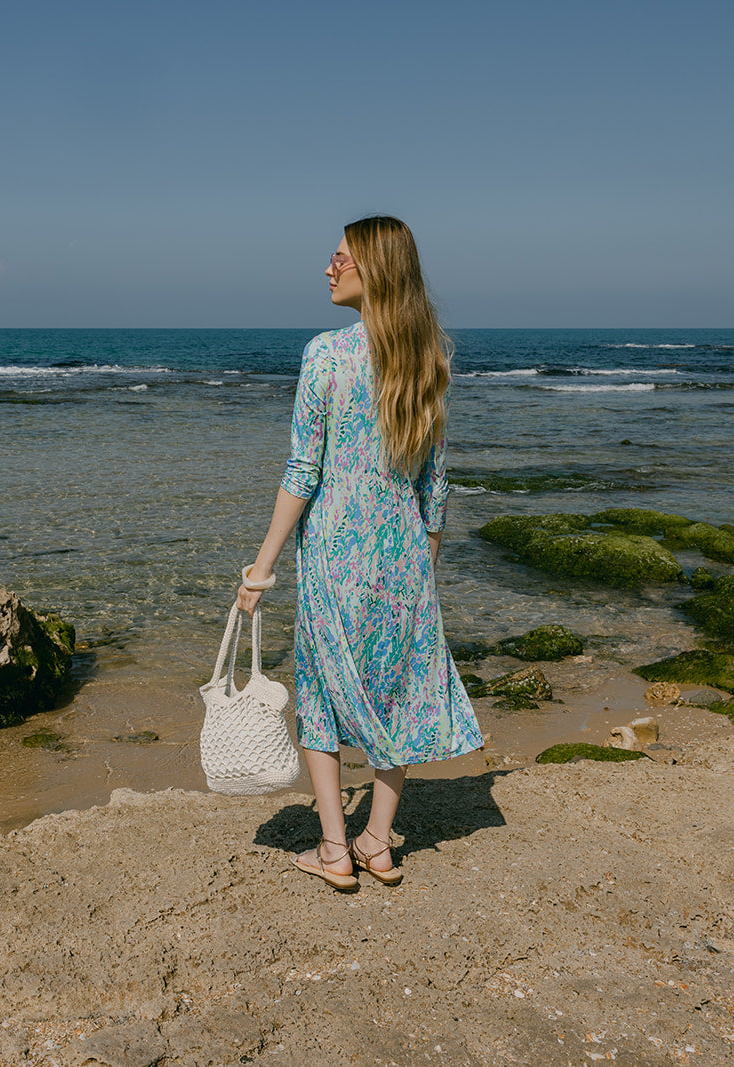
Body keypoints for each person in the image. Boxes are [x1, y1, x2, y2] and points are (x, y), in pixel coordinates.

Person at [236, 215, 483, 890]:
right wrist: (424, 565)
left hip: (335, 559)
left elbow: (301, 472)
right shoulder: (428, 360)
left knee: (319, 696)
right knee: (395, 692)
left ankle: (334, 846)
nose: (328, 267)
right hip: (404, 559)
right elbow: (437, 484)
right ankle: (378, 840)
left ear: (373, 270)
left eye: (340, 257)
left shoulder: (325, 355)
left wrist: (261, 569)